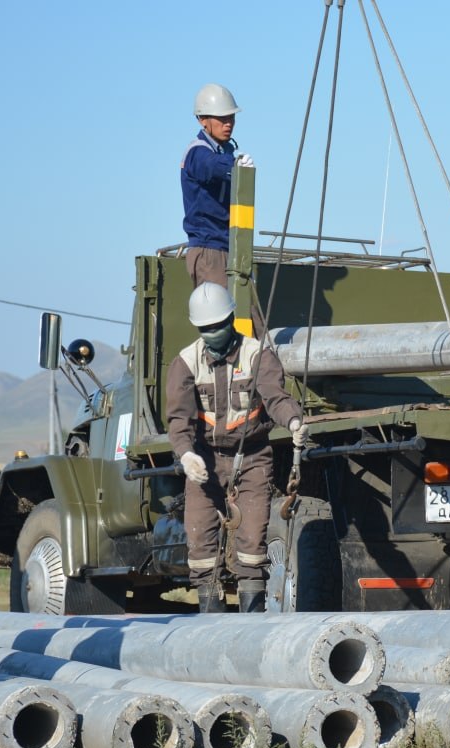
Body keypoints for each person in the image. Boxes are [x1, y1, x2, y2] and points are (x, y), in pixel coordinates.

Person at [165, 282, 307, 612]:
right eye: (206, 328)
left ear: (231, 319)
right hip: (205, 461)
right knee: (201, 548)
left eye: (218, 325)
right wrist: (186, 454)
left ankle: (250, 627)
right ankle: (211, 627)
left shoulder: (258, 355)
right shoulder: (185, 364)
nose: (213, 332)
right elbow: (179, 418)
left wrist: (295, 422)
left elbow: (276, 398)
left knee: (252, 547)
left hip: (253, 458)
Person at [181, 83, 253, 288]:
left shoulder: (224, 152)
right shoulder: (197, 153)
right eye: (221, 118)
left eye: (231, 117)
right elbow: (210, 166)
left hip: (228, 248)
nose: (228, 123)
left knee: (250, 318)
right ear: (202, 120)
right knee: (221, 316)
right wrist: (235, 165)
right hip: (209, 250)